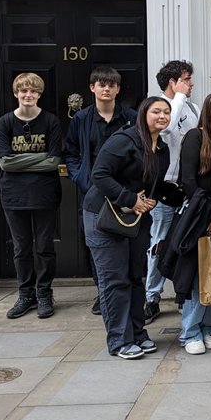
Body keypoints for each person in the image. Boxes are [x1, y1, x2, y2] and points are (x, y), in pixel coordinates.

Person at [84, 96, 171, 359]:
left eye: (166, 112)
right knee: (114, 280)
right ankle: (120, 341)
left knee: (135, 277)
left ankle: (137, 333)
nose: (162, 116)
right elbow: (99, 175)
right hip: (104, 218)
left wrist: (151, 198)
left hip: (135, 220)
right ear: (144, 113)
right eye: (156, 111)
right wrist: (130, 199)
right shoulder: (124, 140)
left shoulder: (162, 148)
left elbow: (149, 181)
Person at [64, 66, 138, 315]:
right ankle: (102, 291)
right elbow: (72, 153)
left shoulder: (130, 117)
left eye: (111, 85)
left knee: (127, 241)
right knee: (95, 243)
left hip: (125, 191)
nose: (106, 88)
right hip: (92, 192)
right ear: (92, 88)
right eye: (101, 84)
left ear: (118, 89)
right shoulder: (81, 119)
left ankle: (127, 290)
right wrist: (81, 178)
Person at [0, 72, 63, 321]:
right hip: (13, 196)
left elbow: (54, 160)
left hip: (45, 194)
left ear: (39, 94)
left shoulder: (51, 121)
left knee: (44, 247)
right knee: (21, 248)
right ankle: (26, 295)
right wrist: (40, 159)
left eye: (33, 91)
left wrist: (20, 161)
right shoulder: (4, 123)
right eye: (23, 91)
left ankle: (44, 294)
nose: (28, 95)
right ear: (16, 93)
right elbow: (5, 163)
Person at [145, 59, 200, 324]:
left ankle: (181, 292)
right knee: (160, 240)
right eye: (187, 80)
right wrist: (177, 96)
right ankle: (151, 296)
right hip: (164, 186)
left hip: (188, 186)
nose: (191, 85)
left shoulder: (192, 108)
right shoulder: (157, 107)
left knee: (183, 241)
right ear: (174, 82)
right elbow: (165, 127)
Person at [176, 94, 211, 353]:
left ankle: (209, 326)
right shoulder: (195, 137)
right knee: (199, 273)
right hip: (199, 213)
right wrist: (209, 214)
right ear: (207, 113)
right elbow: (187, 180)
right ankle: (190, 331)